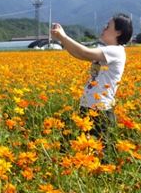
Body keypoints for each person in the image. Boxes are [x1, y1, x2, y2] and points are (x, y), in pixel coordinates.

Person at [50, 14, 133, 150]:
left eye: (108, 26)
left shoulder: (116, 51)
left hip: (100, 111)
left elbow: (85, 53)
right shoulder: (108, 50)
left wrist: (63, 37)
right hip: (90, 107)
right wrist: (61, 39)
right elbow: (79, 54)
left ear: (118, 32)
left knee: (98, 153)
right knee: (84, 150)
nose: (104, 28)